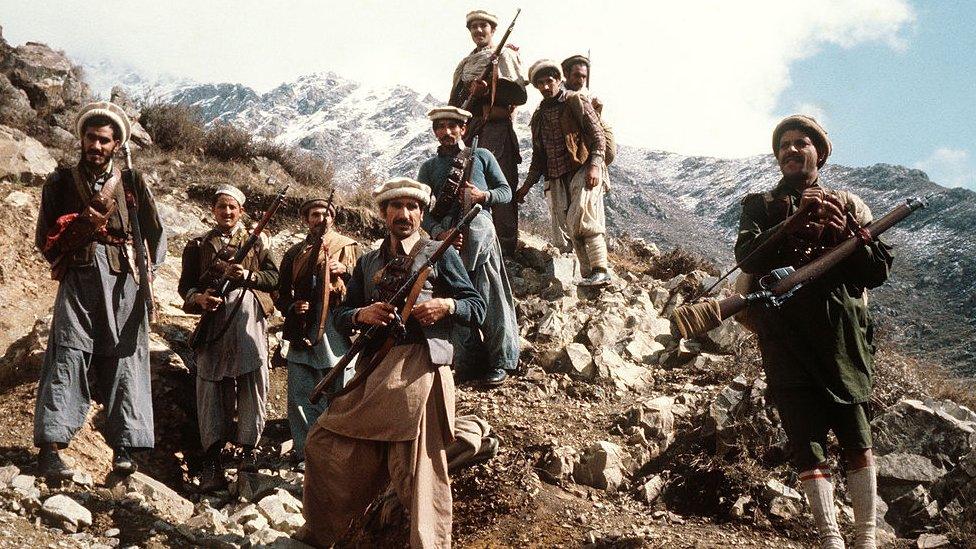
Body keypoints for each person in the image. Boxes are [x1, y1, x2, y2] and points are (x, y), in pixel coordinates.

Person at [296, 177, 486, 548]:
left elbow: (477, 307)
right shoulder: (368, 262)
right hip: (374, 367)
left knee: (415, 465)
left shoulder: (442, 253)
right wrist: (361, 314)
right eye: (395, 207)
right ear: (384, 214)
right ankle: (322, 533)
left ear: (421, 212)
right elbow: (341, 315)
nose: (404, 214)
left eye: (411, 207)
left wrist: (446, 306)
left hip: (421, 365)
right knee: (321, 441)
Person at [735, 115, 892, 549]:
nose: (790, 150)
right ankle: (830, 539)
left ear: (818, 153)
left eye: (800, 143)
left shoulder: (850, 204)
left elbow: (876, 271)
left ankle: (867, 539)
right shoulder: (760, 205)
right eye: (783, 144)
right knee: (807, 445)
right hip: (784, 338)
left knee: (857, 440)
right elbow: (747, 259)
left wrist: (847, 232)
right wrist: (791, 223)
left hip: (842, 335)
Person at [34, 101, 166, 480]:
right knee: (67, 352)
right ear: (82, 140)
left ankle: (124, 448)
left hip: (124, 280)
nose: (96, 145)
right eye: (91, 137)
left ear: (115, 144)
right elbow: (45, 236)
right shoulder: (60, 181)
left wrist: (148, 273)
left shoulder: (132, 183)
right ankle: (51, 448)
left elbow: (155, 235)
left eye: (104, 140)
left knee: (126, 356)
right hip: (79, 278)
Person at [178, 184, 279, 491]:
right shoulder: (197, 245)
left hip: (248, 320)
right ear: (214, 210)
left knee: (252, 383)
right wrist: (200, 299)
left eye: (233, 207)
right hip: (215, 322)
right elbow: (186, 287)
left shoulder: (257, 242)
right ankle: (212, 462)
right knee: (210, 387)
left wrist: (247, 277)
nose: (227, 212)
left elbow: (274, 278)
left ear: (241, 211)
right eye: (222, 206)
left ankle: (249, 458)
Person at [418, 106, 519, 386]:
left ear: (463, 128)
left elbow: (505, 191)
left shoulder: (482, 156)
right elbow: (421, 209)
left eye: (453, 126)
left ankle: (502, 361)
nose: (447, 132)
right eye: (440, 127)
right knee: (457, 298)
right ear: (435, 131)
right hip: (450, 243)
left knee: (492, 298)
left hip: (480, 237)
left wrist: (482, 195)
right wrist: (439, 232)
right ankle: (469, 362)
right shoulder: (428, 168)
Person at [276, 197, 360, 468]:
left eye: (325, 213)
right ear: (306, 219)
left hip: (337, 326)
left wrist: (344, 272)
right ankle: (307, 454)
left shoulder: (348, 247)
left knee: (341, 390)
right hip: (304, 328)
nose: (319, 219)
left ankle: (342, 455)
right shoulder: (294, 253)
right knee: (302, 393)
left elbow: (366, 286)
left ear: (332, 217)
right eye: (314, 214)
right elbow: (280, 292)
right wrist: (292, 306)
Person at [514, 59, 611, 286]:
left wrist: (595, 166)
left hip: (583, 168)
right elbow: (539, 158)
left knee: (583, 217)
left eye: (550, 81)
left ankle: (601, 268)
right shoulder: (538, 116)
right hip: (557, 176)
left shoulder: (576, 102)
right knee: (569, 225)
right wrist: (525, 187)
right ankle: (589, 277)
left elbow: (598, 137)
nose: (546, 87)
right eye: (540, 83)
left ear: (559, 80)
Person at [449, 9, 527, 255]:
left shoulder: (504, 55)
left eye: (484, 26)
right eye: (474, 27)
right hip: (470, 131)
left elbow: (517, 95)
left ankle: (505, 249)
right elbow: (456, 102)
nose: (479, 31)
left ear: (493, 30)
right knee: (468, 184)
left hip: (496, 130)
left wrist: (487, 90)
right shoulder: (465, 64)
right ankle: (472, 244)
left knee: (499, 182)